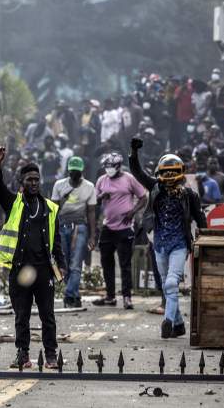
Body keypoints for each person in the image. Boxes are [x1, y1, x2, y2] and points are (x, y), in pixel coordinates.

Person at [0, 146, 66, 370]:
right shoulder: (13, 203)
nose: (34, 183)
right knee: (21, 316)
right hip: (20, 269)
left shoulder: (50, 208)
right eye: (29, 180)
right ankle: (22, 355)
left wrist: (61, 266)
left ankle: (51, 355)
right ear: (22, 182)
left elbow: (57, 241)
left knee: (48, 315)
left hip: (44, 270)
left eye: (36, 179)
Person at [128, 138, 206, 338]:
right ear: (159, 174)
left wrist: (206, 243)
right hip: (159, 243)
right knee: (165, 284)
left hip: (180, 244)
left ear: (181, 174)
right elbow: (137, 172)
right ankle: (179, 325)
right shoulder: (155, 188)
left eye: (174, 172)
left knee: (171, 283)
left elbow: (201, 221)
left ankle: (169, 322)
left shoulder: (190, 195)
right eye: (165, 172)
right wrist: (134, 152)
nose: (170, 176)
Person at [92, 152, 148, 310]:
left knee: (125, 264)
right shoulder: (102, 180)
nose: (108, 170)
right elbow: (94, 201)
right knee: (106, 263)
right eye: (106, 167)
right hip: (108, 227)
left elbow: (143, 197)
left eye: (110, 167)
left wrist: (133, 211)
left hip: (125, 228)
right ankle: (110, 296)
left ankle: (127, 297)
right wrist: (102, 196)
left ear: (118, 166)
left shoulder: (129, 179)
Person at [50, 156, 97, 308]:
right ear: (68, 171)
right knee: (65, 264)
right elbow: (53, 210)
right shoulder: (59, 185)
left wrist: (92, 235)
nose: (74, 175)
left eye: (77, 172)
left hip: (79, 227)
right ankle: (75, 295)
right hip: (62, 227)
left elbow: (91, 212)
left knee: (76, 264)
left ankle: (69, 295)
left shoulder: (89, 187)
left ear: (81, 171)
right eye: (72, 172)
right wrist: (51, 232)